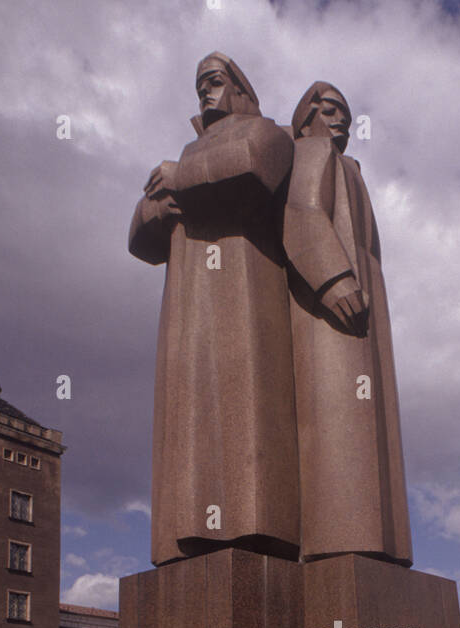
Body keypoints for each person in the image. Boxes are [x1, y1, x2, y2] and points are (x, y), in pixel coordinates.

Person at [129, 52, 300, 566]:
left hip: (245, 289)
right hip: (188, 302)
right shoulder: (186, 154)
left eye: (215, 80)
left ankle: (253, 524)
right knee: (191, 412)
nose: (204, 91)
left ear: (240, 87)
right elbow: (139, 236)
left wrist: (179, 177)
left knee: (244, 400)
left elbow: (252, 168)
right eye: (199, 83)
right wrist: (163, 202)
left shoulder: (268, 132)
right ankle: (189, 535)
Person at [283, 82, 413, 566]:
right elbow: (300, 212)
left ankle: (381, 542)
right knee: (342, 418)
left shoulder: (351, 169)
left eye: (348, 116)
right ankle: (341, 537)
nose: (342, 122)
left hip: (367, 298)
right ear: (307, 116)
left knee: (373, 424)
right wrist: (334, 278)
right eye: (332, 110)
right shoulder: (310, 151)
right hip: (333, 304)